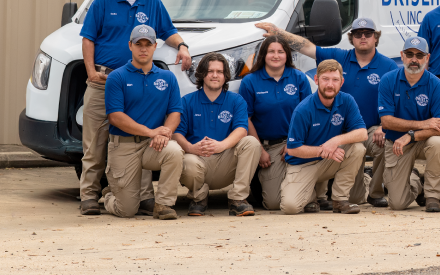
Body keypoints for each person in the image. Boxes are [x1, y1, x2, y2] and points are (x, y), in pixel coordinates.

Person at [78, 0, 192, 216]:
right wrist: (90, 72)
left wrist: (183, 46)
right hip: (104, 80)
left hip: (137, 83)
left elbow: (167, 30)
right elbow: (88, 38)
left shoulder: (151, 1)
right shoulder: (103, 2)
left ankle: (141, 196)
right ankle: (89, 195)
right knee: (94, 143)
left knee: (138, 138)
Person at [255, 17, 397, 207]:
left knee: (386, 143)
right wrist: (279, 32)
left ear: (375, 38)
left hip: (370, 129)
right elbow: (306, 46)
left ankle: (375, 191)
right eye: (357, 34)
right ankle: (324, 193)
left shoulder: (389, 66)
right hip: (339, 129)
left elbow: (396, 101)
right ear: (351, 38)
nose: (363, 37)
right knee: (351, 191)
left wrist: (383, 126)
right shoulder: (339, 57)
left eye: (368, 34)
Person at [102, 25, 184, 219]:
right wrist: (151, 132)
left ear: (156, 46)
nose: (144, 48)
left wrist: (165, 133)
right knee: (127, 210)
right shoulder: (117, 77)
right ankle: (109, 196)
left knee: (174, 151)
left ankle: (163, 205)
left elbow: (175, 112)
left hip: (151, 146)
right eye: (139, 44)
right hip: (124, 146)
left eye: (148, 44)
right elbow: (115, 116)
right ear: (130, 46)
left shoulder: (167, 78)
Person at [173, 52, 261, 217]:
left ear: (225, 75)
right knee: (184, 159)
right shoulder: (186, 101)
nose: (215, 75)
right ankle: (199, 199)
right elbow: (176, 134)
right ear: (201, 74)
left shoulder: (236, 101)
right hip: (197, 160)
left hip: (225, 161)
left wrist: (221, 145)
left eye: (219, 72)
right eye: (210, 71)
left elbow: (242, 129)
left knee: (252, 142)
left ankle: (238, 200)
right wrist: (191, 148)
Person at [238, 36, 316, 211]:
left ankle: (311, 196)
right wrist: (259, 150)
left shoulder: (298, 78)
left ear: (287, 55)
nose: (276, 55)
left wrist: (292, 142)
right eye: (271, 51)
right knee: (273, 203)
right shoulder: (250, 81)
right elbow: (246, 118)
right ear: (263, 55)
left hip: (296, 141)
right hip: (269, 147)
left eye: (280, 51)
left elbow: (308, 114)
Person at [281, 60, 367, 215]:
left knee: (357, 148)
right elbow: (293, 150)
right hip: (303, 164)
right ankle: (311, 196)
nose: (330, 85)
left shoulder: (347, 100)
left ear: (342, 82)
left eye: (335, 80)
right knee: (290, 207)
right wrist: (322, 150)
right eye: (325, 79)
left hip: (329, 160)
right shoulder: (303, 109)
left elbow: (362, 133)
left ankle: (340, 200)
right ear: (316, 80)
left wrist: (334, 142)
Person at [379, 36, 440, 212]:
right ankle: (416, 180)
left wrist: (410, 135)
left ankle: (432, 196)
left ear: (427, 58)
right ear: (402, 56)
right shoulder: (387, 80)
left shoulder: (436, 85)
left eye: (419, 55)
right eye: (409, 54)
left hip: (423, 141)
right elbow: (386, 121)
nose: (414, 59)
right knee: (397, 204)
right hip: (396, 143)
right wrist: (423, 124)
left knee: (437, 143)